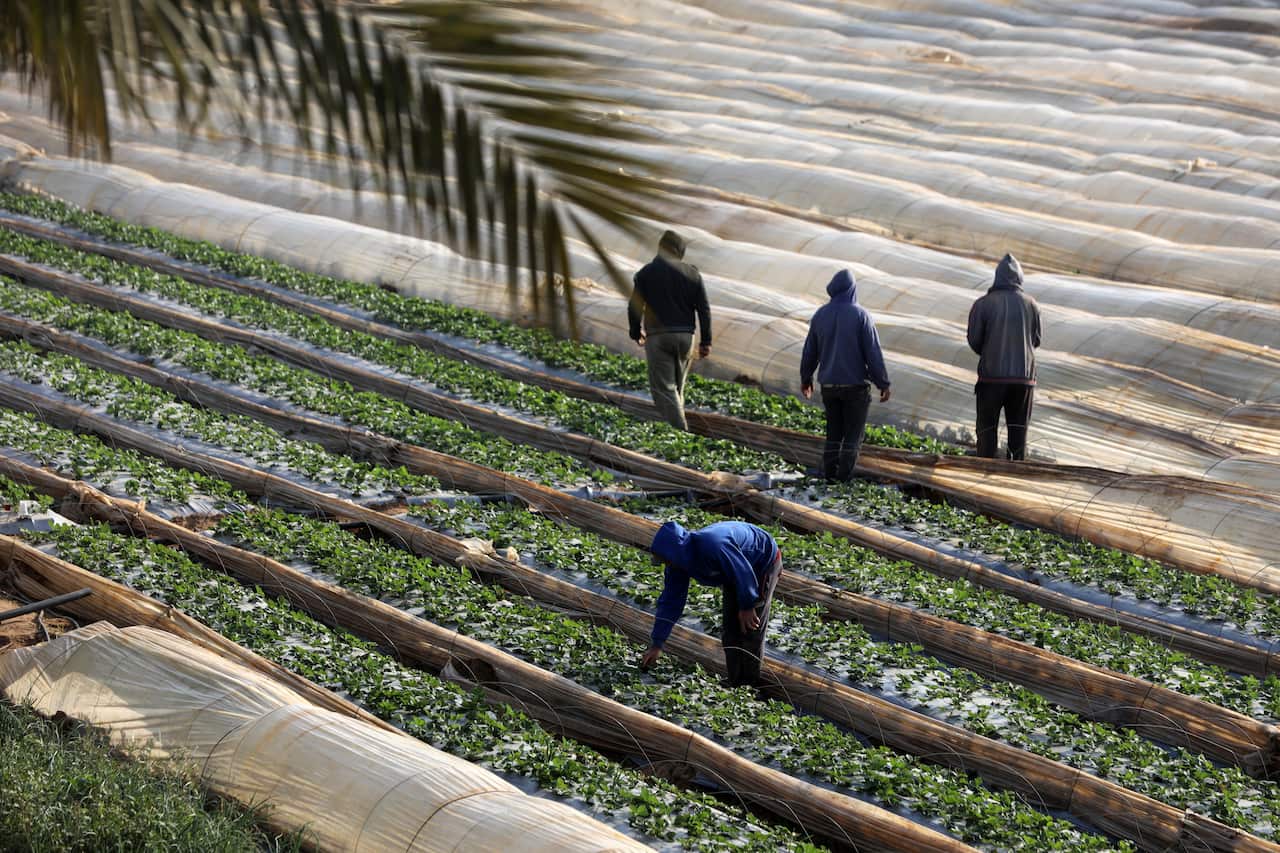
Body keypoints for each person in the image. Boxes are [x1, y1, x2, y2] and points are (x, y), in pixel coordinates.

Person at [639, 520, 781, 687]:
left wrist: (747, 605)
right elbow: (671, 602)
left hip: (762, 562)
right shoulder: (677, 565)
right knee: (730, 629)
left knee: (750, 628)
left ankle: (750, 685)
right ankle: (736, 682)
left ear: (674, 554)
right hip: (733, 571)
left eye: (666, 560)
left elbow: (743, 571)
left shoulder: (712, 545)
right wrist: (657, 644)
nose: (666, 564)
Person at [799, 269, 891, 483]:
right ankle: (842, 480)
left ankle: (829, 476)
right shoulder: (860, 316)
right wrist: (882, 383)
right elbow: (873, 353)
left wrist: (806, 379)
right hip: (855, 388)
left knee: (834, 433)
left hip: (829, 387)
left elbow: (810, 351)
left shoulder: (821, 315)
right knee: (852, 436)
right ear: (852, 289)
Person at [628, 230, 711, 431]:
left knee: (664, 387)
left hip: (658, 336)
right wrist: (705, 341)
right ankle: (674, 429)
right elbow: (703, 308)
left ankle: (680, 431)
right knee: (678, 386)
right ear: (679, 252)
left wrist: (635, 331)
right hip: (685, 336)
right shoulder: (692, 274)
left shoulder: (646, 273)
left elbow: (634, 306)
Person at [966, 253, 1042, 460]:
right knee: (1018, 433)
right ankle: (1014, 476)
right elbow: (1036, 340)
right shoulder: (1031, 305)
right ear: (1020, 279)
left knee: (986, 430)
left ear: (997, 277)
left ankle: (986, 472)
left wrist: (992, 352)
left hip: (992, 378)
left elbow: (974, 340)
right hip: (1024, 379)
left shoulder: (983, 304)